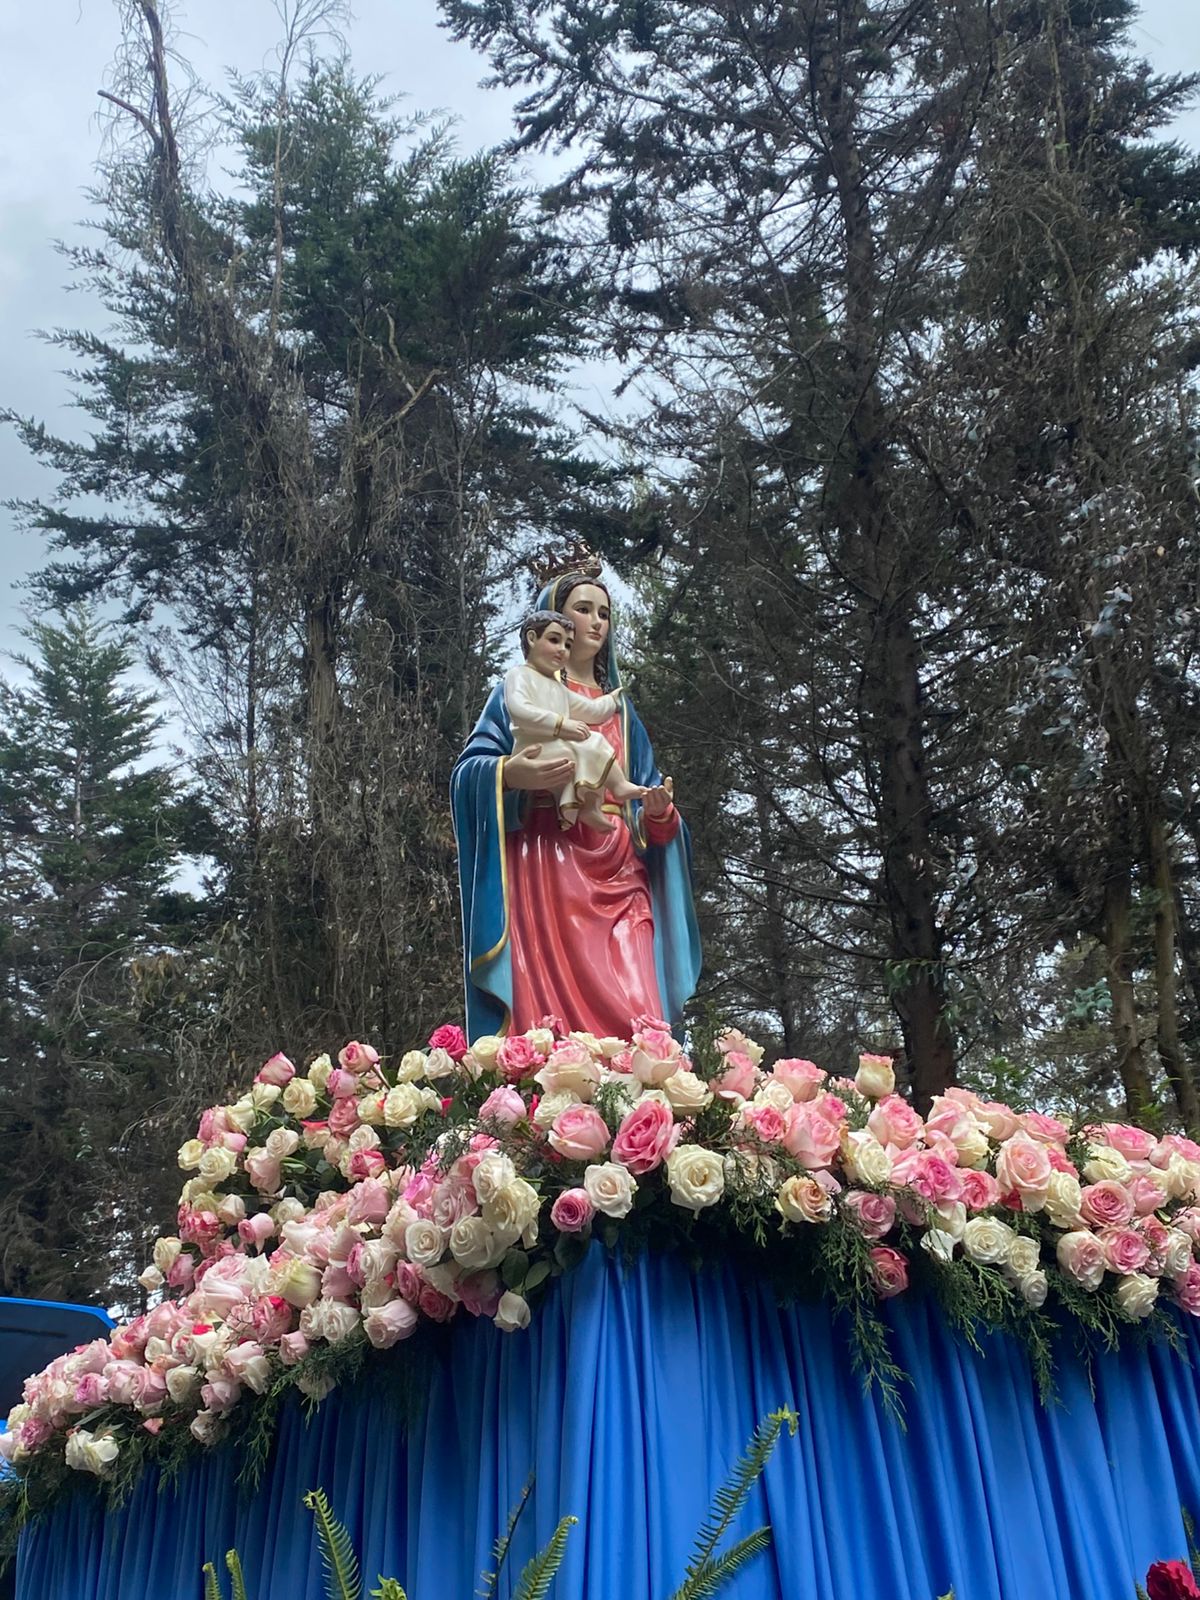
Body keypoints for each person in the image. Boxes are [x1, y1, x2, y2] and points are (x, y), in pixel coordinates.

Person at [451, 567, 702, 1041]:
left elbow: (653, 807)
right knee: (552, 1031)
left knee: (640, 1011)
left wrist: (659, 812)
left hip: (621, 868)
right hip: (547, 868)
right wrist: (508, 775)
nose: (595, 623)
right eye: (582, 610)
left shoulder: (624, 717)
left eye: (604, 613)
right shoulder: (518, 693)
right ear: (549, 629)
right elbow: (468, 775)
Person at [505, 609, 645, 833]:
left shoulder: (558, 687)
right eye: (554, 640)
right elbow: (520, 710)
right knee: (574, 754)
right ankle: (570, 805)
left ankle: (604, 795)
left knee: (595, 741)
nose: (562, 650)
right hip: (532, 749)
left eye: (568, 645)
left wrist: (612, 700)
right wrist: (561, 725)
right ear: (532, 638)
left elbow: (591, 710)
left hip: (557, 746)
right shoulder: (519, 675)